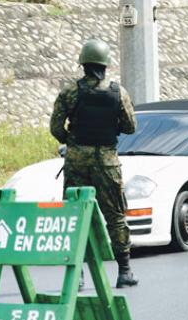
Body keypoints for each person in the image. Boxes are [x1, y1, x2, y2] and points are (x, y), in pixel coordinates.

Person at [50, 39, 138, 288]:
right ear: (106, 65)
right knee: (116, 217)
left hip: (77, 162)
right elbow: (131, 127)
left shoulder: (70, 91)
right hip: (107, 162)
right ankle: (124, 271)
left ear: (83, 64)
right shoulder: (118, 92)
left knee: (75, 217)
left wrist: (73, 142)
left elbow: (55, 127)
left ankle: (76, 275)